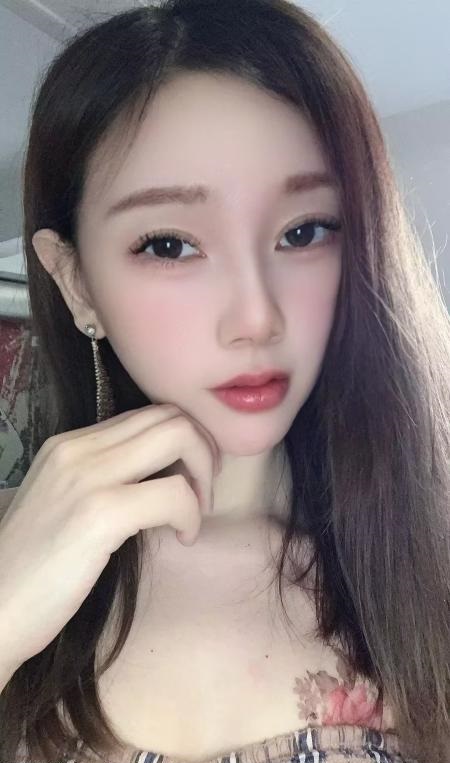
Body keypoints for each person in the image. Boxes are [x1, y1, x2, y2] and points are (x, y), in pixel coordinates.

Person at [0, 1, 448, 762]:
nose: (256, 316)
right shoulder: (15, 549)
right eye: (169, 245)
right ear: (76, 283)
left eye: (303, 231)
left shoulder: (427, 561)